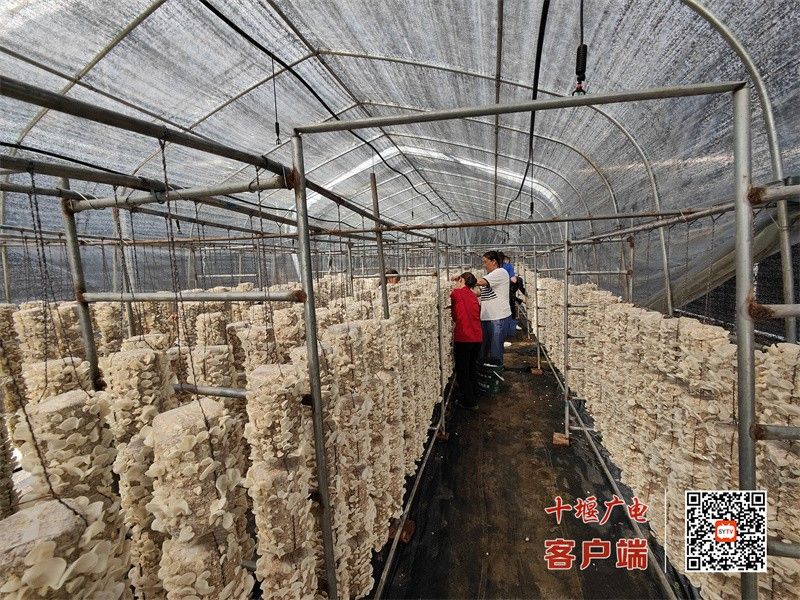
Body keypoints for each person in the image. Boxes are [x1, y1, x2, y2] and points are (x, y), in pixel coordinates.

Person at [450, 272, 482, 409]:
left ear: (462, 280)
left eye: (458, 281)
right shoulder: (473, 296)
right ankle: (475, 395)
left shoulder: (457, 293)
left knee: (463, 371)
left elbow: (448, 296)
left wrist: (452, 281)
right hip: (477, 337)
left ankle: (469, 402)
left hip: (464, 338)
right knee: (471, 368)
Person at [476, 250, 512, 362]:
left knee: (495, 350)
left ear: (494, 262)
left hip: (498, 318)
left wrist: (463, 278)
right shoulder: (490, 276)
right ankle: (486, 369)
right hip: (487, 317)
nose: (484, 265)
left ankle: (496, 370)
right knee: (484, 349)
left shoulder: (500, 272)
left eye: (485, 262)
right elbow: (480, 292)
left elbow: (480, 282)